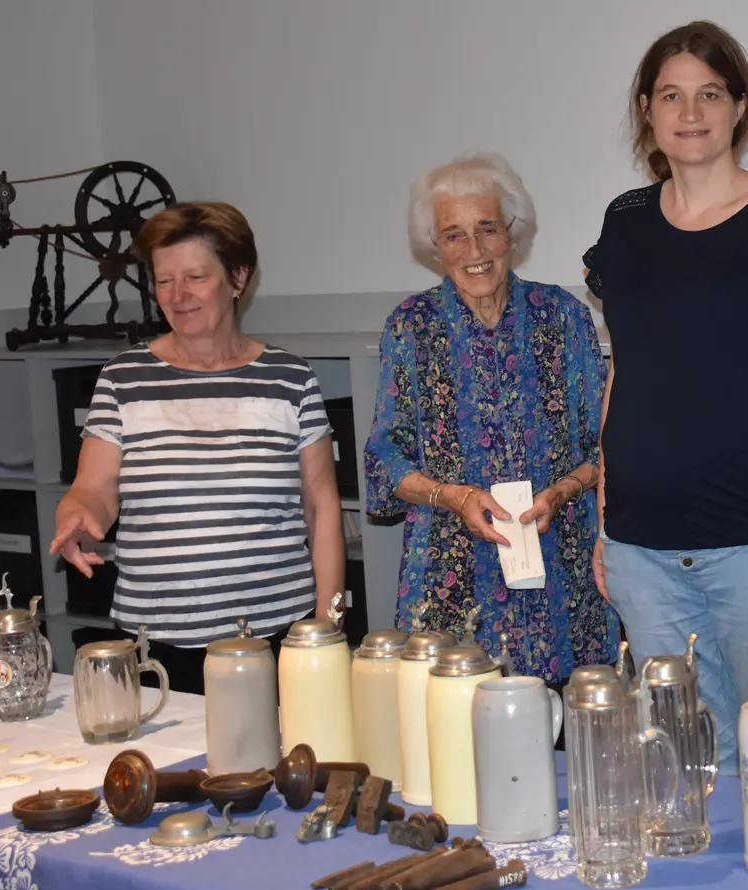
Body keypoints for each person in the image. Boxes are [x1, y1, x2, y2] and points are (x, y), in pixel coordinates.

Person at [584, 20, 748, 772]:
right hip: (645, 553)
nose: (689, 111)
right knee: (683, 774)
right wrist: (607, 524)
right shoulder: (625, 223)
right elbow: (621, 377)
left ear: (738, 107)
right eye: (670, 95)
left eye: (708, 94)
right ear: (646, 109)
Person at [48, 201, 345, 695]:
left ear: (237, 278)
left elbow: (322, 506)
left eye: (194, 277)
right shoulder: (123, 379)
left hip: (275, 636)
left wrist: (329, 619)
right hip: (155, 643)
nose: (177, 295)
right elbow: (94, 487)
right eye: (164, 281)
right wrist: (76, 512)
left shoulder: (290, 379)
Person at [364, 152, 619, 683]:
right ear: (434, 247)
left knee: (570, 741)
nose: (474, 250)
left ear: (512, 233)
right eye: (454, 235)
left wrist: (563, 492)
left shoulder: (564, 317)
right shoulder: (410, 327)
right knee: (455, 742)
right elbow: (385, 457)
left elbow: (607, 444)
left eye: (487, 229)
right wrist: (453, 497)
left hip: (562, 567)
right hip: (450, 575)